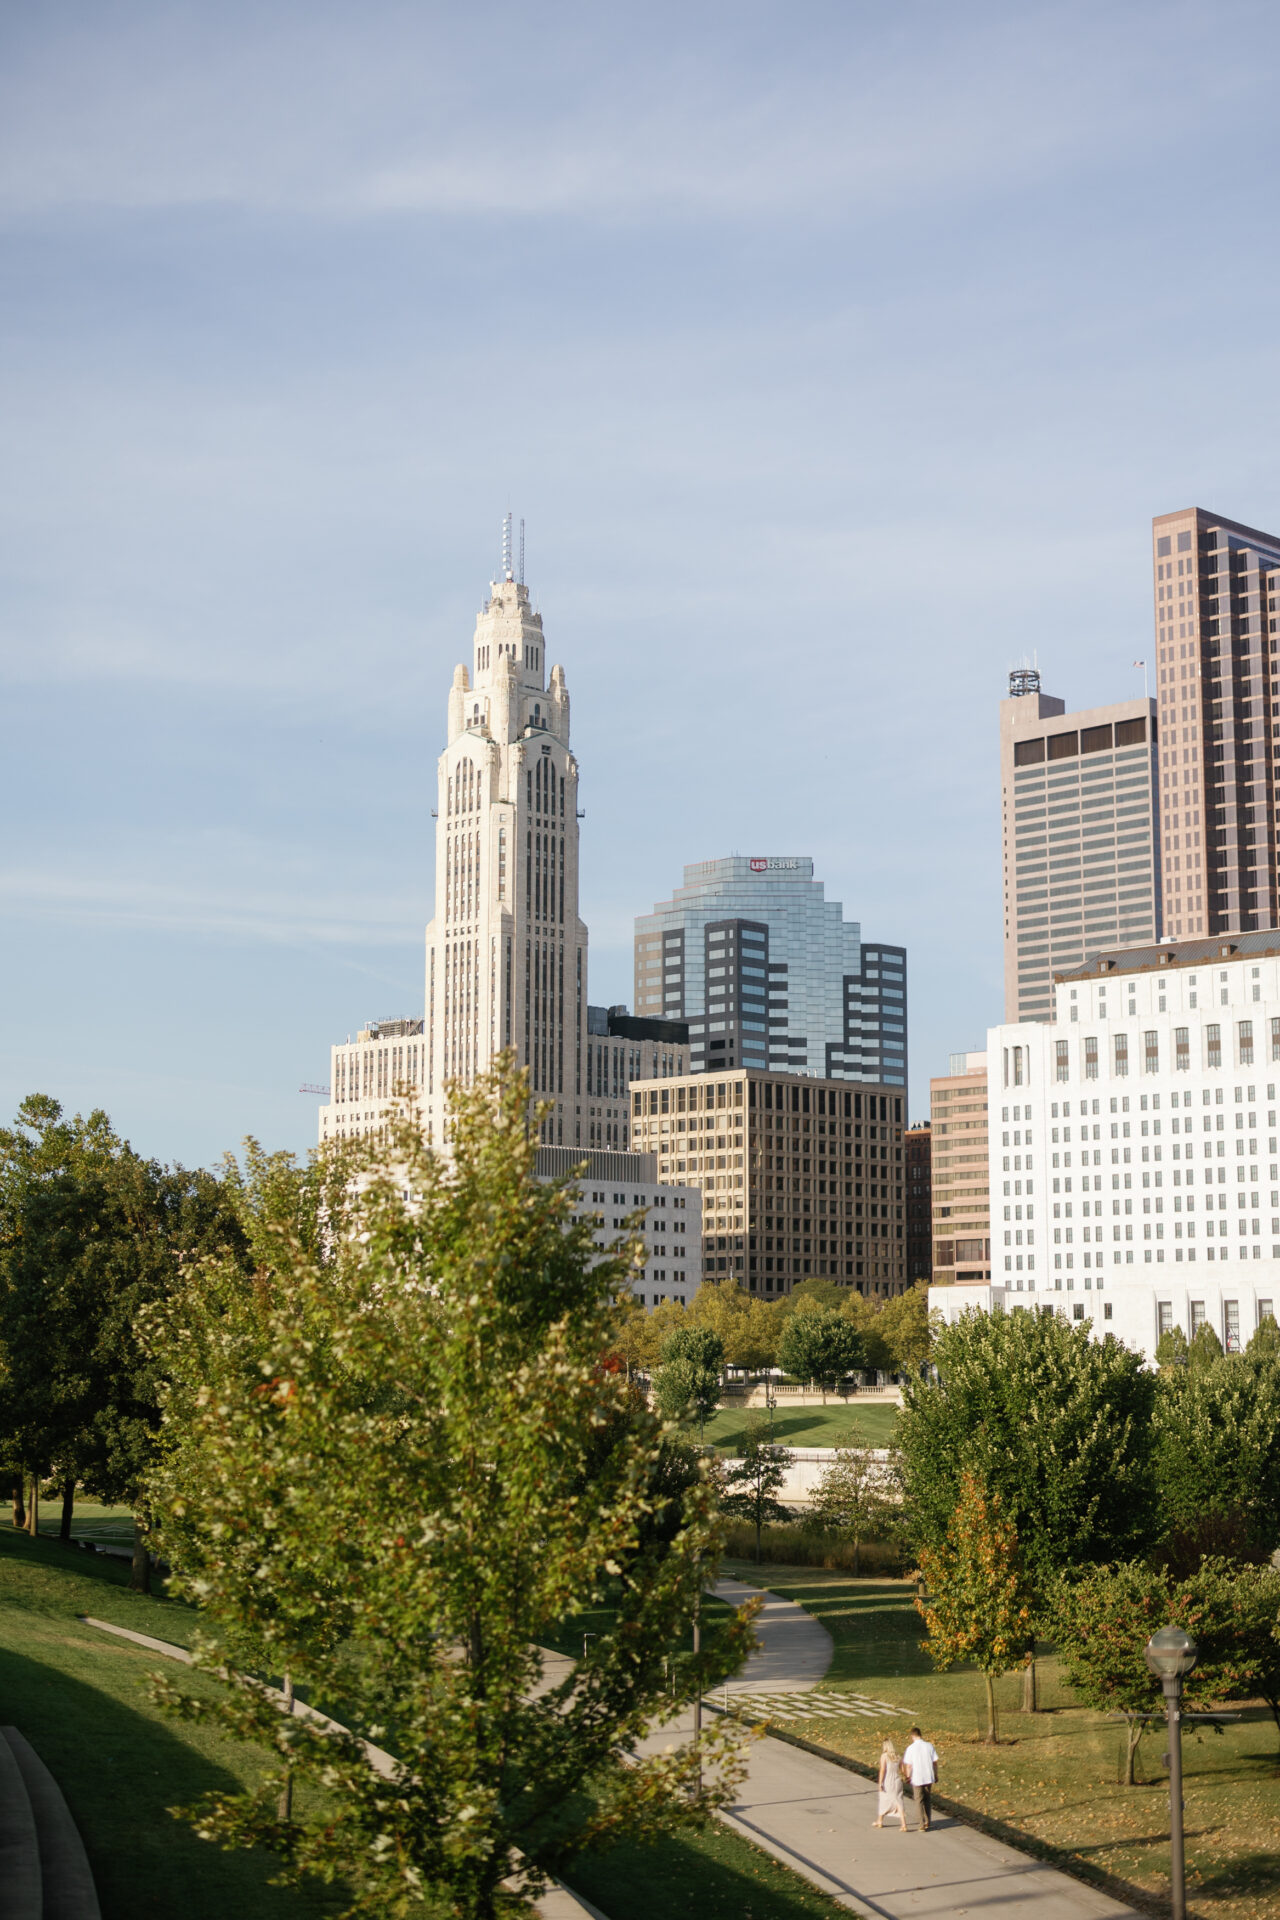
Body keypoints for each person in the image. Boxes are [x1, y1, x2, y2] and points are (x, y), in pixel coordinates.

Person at [901, 1725, 939, 1831]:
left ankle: (921, 1823)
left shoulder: (910, 1748)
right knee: (927, 1799)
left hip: (917, 1777)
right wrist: (935, 1774)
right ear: (920, 1735)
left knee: (918, 1800)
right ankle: (927, 1821)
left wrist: (908, 1776)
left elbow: (908, 1765)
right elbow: (934, 1762)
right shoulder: (929, 1746)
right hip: (928, 1776)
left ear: (912, 1736)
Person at [873, 1738, 907, 1830]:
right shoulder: (897, 1756)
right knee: (899, 1801)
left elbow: (882, 1770)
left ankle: (880, 1821)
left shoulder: (884, 1756)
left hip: (888, 1781)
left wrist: (880, 1783)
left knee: (884, 1800)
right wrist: (907, 1776)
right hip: (897, 1780)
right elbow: (903, 1770)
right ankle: (903, 1824)